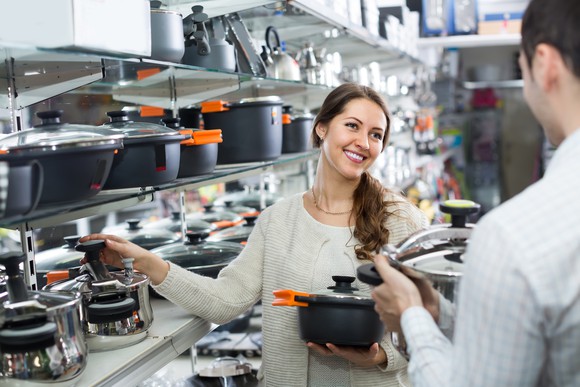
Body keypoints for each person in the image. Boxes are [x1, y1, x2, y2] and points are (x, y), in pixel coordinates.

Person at [80, 82, 428, 386]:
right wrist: (144, 261)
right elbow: (226, 300)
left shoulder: (400, 221)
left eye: (376, 134)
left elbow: (432, 318)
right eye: (351, 125)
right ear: (322, 128)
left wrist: (381, 355)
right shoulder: (278, 221)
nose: (363, 142)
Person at [371, 0, 580, 385]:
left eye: (521, 65)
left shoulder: (513, 237)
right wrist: (441, 315)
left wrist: (410, 317)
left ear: (545, 65)